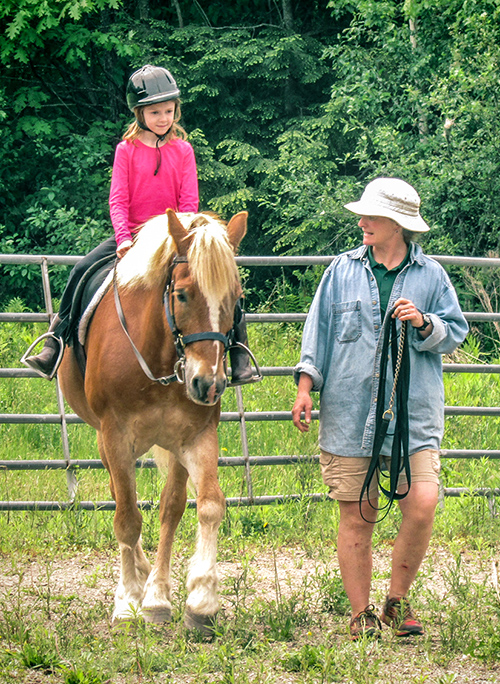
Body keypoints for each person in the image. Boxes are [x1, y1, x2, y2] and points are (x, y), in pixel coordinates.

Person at [292, 178, 468, 640]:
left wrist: (425, 322)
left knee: (423, 501)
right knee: (359, 509)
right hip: (350, 410)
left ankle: (398, 600)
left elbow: (456, 331)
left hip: (415, 412)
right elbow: (319, 332)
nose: (361, 222)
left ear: (397, 225)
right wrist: (306, 387)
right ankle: (360, 613)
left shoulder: (431, 276)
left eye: (371, 216)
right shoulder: (340, 271)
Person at [23, 64, 256, 385]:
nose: (163, 118)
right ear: (139, 113)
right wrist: (122, 239)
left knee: (224, 282)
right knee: (81, 269)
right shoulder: (127, 151)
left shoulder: (183, 151)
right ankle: (55, 341)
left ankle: (239, 354)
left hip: (175, 239)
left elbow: (189, 203)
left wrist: (186, 239)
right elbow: (118, 201)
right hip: (133, 235)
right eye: (155, 112)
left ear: (177, 111)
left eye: (169, 111)